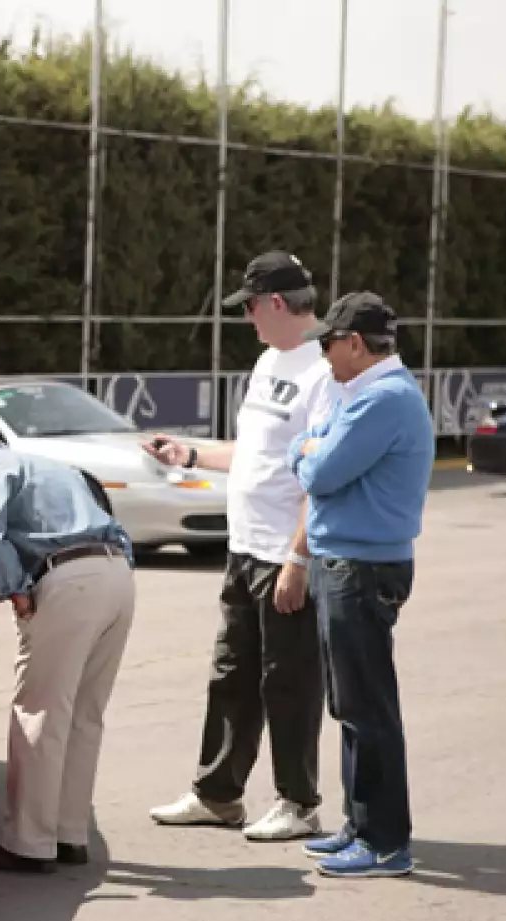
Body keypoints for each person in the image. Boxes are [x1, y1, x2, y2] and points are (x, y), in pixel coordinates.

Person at [145, 250, 340, 842]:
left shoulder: (326, 371)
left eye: (251, 307)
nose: (248, 318)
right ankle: (218, 794)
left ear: (277, 303)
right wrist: (192, 454)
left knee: (289, 681)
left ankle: (298, 803)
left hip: (286, 554)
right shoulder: (267, 361)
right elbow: (254, 453)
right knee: (230, 674)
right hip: (244, 548)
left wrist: (298, 559)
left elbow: (323, 475)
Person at [0, 412, 137, 874]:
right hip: (116, 575)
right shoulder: (50, 467)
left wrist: (14, 589)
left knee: (39, 712)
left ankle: (29, 844)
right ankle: (68, 834)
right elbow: (112, 523)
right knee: (83, 715)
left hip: (65, 579)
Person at [289, 292, 433, 878]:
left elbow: (319, 471)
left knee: (367, 707)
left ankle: (384, 842)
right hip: (347, 561)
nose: (323, 355)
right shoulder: (363, 395)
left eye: (327, 343)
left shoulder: (382, 399)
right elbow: (317, 451)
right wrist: (313, 446)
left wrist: (308, 448)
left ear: (354, 343)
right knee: (350, 703)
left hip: (361, 567)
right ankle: (360, 823)